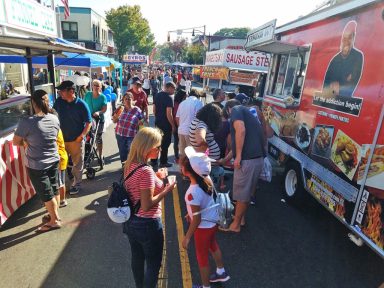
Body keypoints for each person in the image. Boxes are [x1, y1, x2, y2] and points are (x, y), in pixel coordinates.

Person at [123, 127, 176, 288]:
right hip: (148, 224)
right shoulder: (145, 171)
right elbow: (146, 205)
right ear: (147, 147)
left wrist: (157, 176)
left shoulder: (130, 164)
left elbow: (137, 189)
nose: (160, 150)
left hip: (131, 221)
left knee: (137, 259)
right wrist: (167, 189)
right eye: (158, 147)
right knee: (153, 265)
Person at [13, 90, 61, 233]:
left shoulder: (27, 122)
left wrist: (26, 143)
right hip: (54, 159)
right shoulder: (54, 118)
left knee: (46, 194)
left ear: (33, 103)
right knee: (54, 188)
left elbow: (16, 142)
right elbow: (53, 136)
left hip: (37, 164)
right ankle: (53, 215)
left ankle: (55, 220)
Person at [181, 146, 230, 288]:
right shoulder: (206, 178)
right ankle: (221, 271)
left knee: (202, 258)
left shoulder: (192, 193)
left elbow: (196, 219)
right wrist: (189, 213)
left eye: (182, 165)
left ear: (189, 172)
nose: (180, 166)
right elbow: (204, 203)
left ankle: (205, 286)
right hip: (213, 222)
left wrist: (187, 236)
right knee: (213, 245)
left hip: (202, 228)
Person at [221, 99, 265, 233]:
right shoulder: (249, 114)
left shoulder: (236, 110)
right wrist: (225, 160)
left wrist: (239, 156)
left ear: (228, 109)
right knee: (246, 192)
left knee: (240, 194)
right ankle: (241, 219)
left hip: (247, 160)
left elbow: (240, 131)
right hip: (257, 159)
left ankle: (235, 226)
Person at [53, 80, 92, 195]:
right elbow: (53, 116)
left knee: (77, 164)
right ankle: (64, 185)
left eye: (62, 91)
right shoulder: (59, 102)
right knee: (61, 163)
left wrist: (82, 136)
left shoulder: (81, 104)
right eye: (59, 91)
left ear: (71, 91)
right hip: (62, 140)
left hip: (76, 140)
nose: (60, 93)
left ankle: (77, 184)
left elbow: (88, 123)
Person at [322, 21, 363, 97]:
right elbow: (325, 82)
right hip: (330, 99)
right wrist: (332, 85)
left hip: (345, 101)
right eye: (344, 38)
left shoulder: (358, 56)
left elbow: (352, 79)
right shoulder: (335, 60)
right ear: (341, 40)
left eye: (350, 38)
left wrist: (338, 86)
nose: (346, 42)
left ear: (353, 39)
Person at [113, 92, 144, 165]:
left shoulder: (137, 110)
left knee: (132, 153)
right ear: (123, 100)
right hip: (119, 134)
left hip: (131, 135)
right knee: (122, 153)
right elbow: (114, 121)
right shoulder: (120, 109)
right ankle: (124, 169)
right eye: (125, 99)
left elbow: (142, 120)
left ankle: (132, 169)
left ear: (132, 100)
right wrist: (115, 117)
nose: (127, 100)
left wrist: (141, 123)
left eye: (129, 99)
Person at [84, 79, 108, 168]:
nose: (96, 87)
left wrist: (99, 112)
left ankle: (100, 154)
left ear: (100, 87)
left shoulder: (102, 97)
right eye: (94, 85)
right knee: (88, 137)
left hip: (99, 119)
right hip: (89, 119)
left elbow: (104, 109)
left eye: (98, 86)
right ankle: (87, 154)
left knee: (98, 137)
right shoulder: (87, 95)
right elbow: (84, 105)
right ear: (92, 86)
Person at [152, 81, 177, 168]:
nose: (174, 91)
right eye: (174, 89)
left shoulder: (157, 95)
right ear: (169, 87)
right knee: (165, 143)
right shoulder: (169, 98)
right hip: (166, 125)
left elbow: (154, 110)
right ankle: (163, 162)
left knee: (156, 142)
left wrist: (158, 117)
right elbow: (169, 114)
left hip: (158, 122)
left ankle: (154, 161)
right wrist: (173, 125)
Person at [176, 89, 203, 158]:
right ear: (197, 96)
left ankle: (182, 168)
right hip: (191, 132)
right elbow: (199, 118)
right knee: (191, 154)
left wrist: (180, 126)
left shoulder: (182, 103)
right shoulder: (198, 103)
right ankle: (188, 168)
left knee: (182, 152)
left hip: (181, 130)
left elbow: (177, 118)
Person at [173, 89, 187, 163]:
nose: (186, 98)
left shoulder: (175, 102)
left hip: (178, 124)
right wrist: (178, 126)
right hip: (178, 124)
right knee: (178, 142)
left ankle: (177, 156)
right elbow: (176, 115)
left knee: (177, 141)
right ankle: (177, 157)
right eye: (185, 96)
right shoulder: (178, 104)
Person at [57, 129, 68, 207]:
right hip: (61, 157)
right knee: (61, 181)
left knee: (60, 182)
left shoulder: (54, 130)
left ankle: (62, 200)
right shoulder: (57, 128)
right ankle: (62, 200)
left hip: (59, 159)